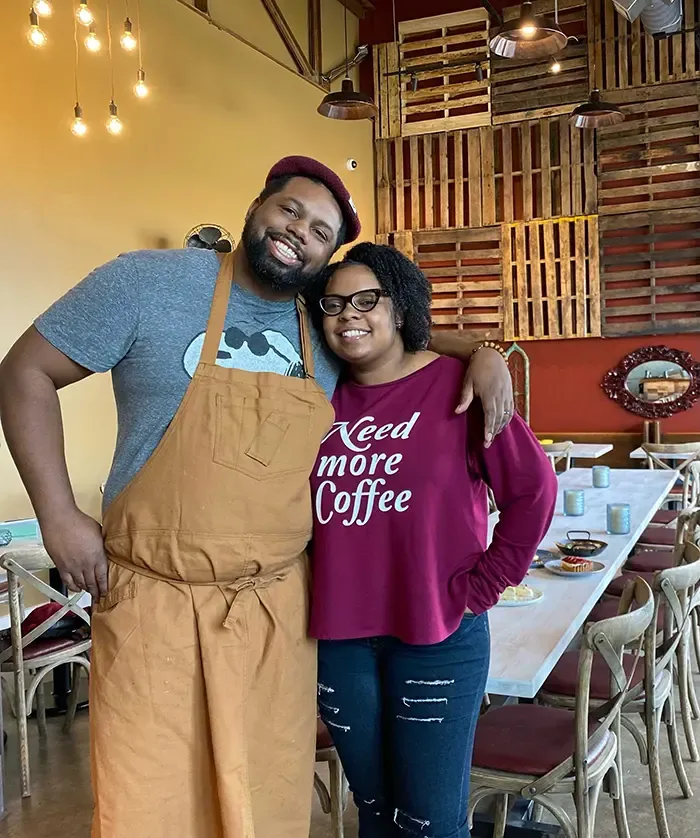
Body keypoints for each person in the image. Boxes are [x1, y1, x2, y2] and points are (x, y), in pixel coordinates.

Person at [0, 157, 514, 838]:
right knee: (147, 803)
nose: (298, 231)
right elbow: (23, 371)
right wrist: (57, 514)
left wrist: (484, 348)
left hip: (277, 609)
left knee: (267, 801)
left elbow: (400, 336)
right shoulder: (145, 282)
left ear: (329, 258)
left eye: (320, 231)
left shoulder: (322, 322)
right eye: (290, 210)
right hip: (156, 601)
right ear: (258, 205)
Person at [308, 243, 557, 838]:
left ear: (400, 309)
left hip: (438, 635)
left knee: (432, 821)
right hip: (338, 638)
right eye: (334, 303)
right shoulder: (313, 395)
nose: (348, 315)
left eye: (367, 300)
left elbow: (534, 492)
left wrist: (486, 583)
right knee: (373, 809)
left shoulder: (458, 387)